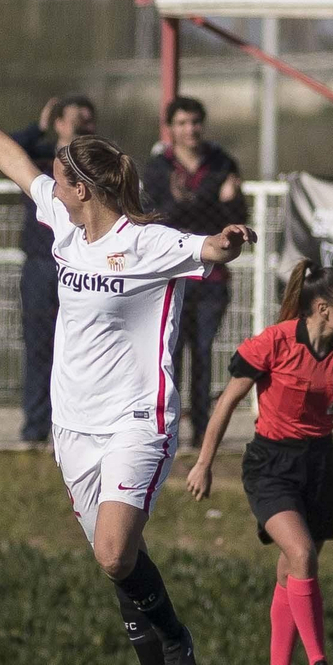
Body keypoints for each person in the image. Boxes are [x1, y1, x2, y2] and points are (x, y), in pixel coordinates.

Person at [0, 60, 255, 665]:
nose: (50, 187)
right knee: (120, 568)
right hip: (72, 426)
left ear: (83, 188)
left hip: (137, 419)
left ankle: (176, 641)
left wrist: (227, 242)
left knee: (112, 554)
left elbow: (208, 249)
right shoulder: (66, 227)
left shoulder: (145, 241)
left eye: (60, 179)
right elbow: (15, 164)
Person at [186, 261, 333, 665]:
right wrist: (203, 462)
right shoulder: (275, 341)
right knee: (302, 554)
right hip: (271, 465)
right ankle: (319, 664)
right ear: (322, 308)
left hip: (320, 464)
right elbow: (227, 402)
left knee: (292, 567)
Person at [142, 96, 247, 448]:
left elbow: (237, 215)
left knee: (202, 352)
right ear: (170, 128)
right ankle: (165, 427)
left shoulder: (221, 162)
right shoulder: (158, 168)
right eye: (182, 123)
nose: (190, 129)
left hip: (211, 276)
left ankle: (201, 432)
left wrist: (226, 200)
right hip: (170, 276)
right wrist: (207, 198)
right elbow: (158, 215)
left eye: (195, 122)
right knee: (168, 354)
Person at [14, 94, 97, 445]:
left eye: (88, 120)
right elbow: (9, 151)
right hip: (41, 263)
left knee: (83, 347)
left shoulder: (96, 164)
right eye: (76, 119)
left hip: (82, 263)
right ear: (60, 123)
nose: (83, 125)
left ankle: (80, 425)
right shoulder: (39, 159)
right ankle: (35, 427)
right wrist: (40, 126)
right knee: (38, 345)